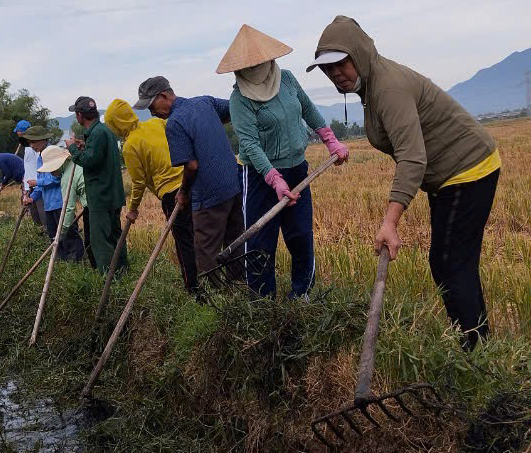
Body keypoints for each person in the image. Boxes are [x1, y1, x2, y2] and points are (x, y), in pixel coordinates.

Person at [308, 15, 501, 350]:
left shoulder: (388, 87)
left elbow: (413, 158)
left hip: (468, 169)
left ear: (360, 55)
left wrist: (390, 222)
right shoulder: (370, 87)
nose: (336, 73)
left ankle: (477, 352)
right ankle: (476, 346)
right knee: (449, 265)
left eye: (342, 63)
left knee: (452, 266)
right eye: (328, 69)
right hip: (448, 177)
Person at [217, 24, 349, 298]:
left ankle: (302, 296)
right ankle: (264, 305)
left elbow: (309, 109)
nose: (255, 68)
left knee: (300, 236)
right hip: (259, 177)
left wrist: (330, 139)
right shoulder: (239, 99)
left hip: (297, 169)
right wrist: (273, 178)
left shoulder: (287, 79)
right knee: (260, 243)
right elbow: (250, 145)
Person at [133, 76, 243, 283]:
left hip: (209, 197)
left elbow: (191, 166)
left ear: (164, 96)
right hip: (234, 186)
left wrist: (183, 193)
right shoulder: (205, 102)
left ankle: (216, 301)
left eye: (151, 106)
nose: (152, 112)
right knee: (235, 243)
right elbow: (234, 109)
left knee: (205, 252)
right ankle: (237, 292)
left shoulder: (174, 123)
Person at [105, 98, 198, 294]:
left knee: (185, 244)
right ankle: (211, 283)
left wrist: (132, 209)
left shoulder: (130, 146)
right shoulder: (157, 123)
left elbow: (138, 183)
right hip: (192, 182)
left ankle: (194, 290)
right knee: (201, 236)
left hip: (172, 195)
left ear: (115, 124)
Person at [65, 96, 127, 274]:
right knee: (115, 236)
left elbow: (89, 160)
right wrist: (85, 145)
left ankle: (109, 278)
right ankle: (122, 273)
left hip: (101, 196)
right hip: (112, 194)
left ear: (79, 115)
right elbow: (98, 154)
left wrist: (73, 148)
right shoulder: (102, 130)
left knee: (100, 240)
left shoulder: (97, 133)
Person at [23, 145, 86, 261]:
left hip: (61, 203)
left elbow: (55, 180)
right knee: (54, 236)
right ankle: (63, 262)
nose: (32, 145)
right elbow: (40, 186)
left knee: (69, 236)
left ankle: (76, 262)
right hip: (48, 206)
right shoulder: (40, 160)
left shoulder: (66, 172)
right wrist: (32, 198)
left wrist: (38, 182)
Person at [14, 119, 45, 226]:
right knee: (34, 214)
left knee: (42, 214)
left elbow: (40, 165)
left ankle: (48, 236)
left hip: (37, 185)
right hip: (29, 185)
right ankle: (40, 235)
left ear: (22, 131)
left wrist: (37, 182)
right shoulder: (27, 147)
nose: (17, 133)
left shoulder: (35, 148)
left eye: (18, 131)